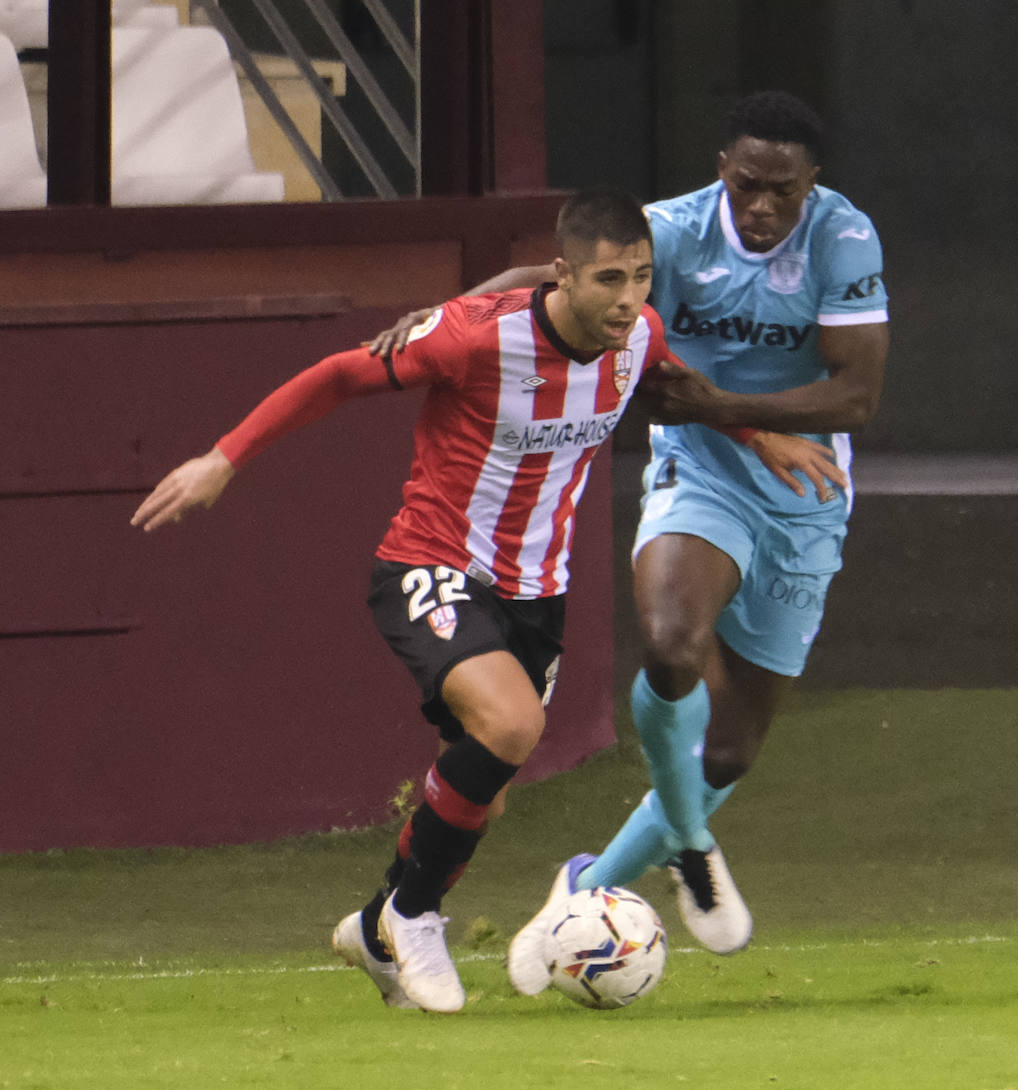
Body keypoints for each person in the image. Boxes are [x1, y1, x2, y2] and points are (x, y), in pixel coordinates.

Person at [131, 187, 841, 1014]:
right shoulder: (476, 338)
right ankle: (414, 914)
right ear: (564, 274)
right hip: (431, 562)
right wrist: (225, 457)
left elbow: (677, 380)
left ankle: (373, 924)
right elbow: (336, 375)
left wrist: (764, 436)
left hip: (538, 593)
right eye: (609, 279)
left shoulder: (636, 338)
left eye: (642, 278)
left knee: (485, 787)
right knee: (511, 725)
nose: (629, 299)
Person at [371, 91, 889, 994]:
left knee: (728, 751)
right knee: (672, 643)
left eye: (785, 192)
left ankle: (589, 886)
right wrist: (440, 317)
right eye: (748, 186)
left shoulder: (844, 239)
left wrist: (727, 407)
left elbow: (857, 397)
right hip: (700, 468)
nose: (763, 208)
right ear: (722, 170)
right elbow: (547, 279)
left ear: (814, 186)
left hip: (807, 492)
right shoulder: (674, 230)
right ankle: (690, 845)